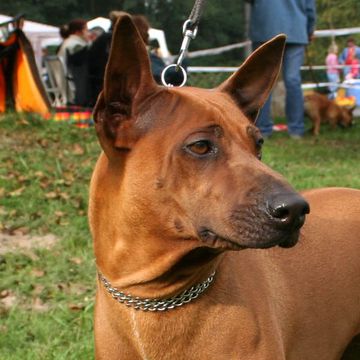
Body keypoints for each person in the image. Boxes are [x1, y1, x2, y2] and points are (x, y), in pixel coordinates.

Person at [247, 0, 316, 139]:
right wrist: (308, 30)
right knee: (293, 80)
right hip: (296, 30)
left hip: (265, 30)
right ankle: (296, 129)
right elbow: (310, 8)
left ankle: (262, 129)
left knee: (262, 82)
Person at [58, 18, 90, 106]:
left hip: (65, 83)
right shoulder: (76, 45)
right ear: (78, 32)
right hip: (75, 85)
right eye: (86, 30)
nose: (88, 33)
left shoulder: (67, 43)